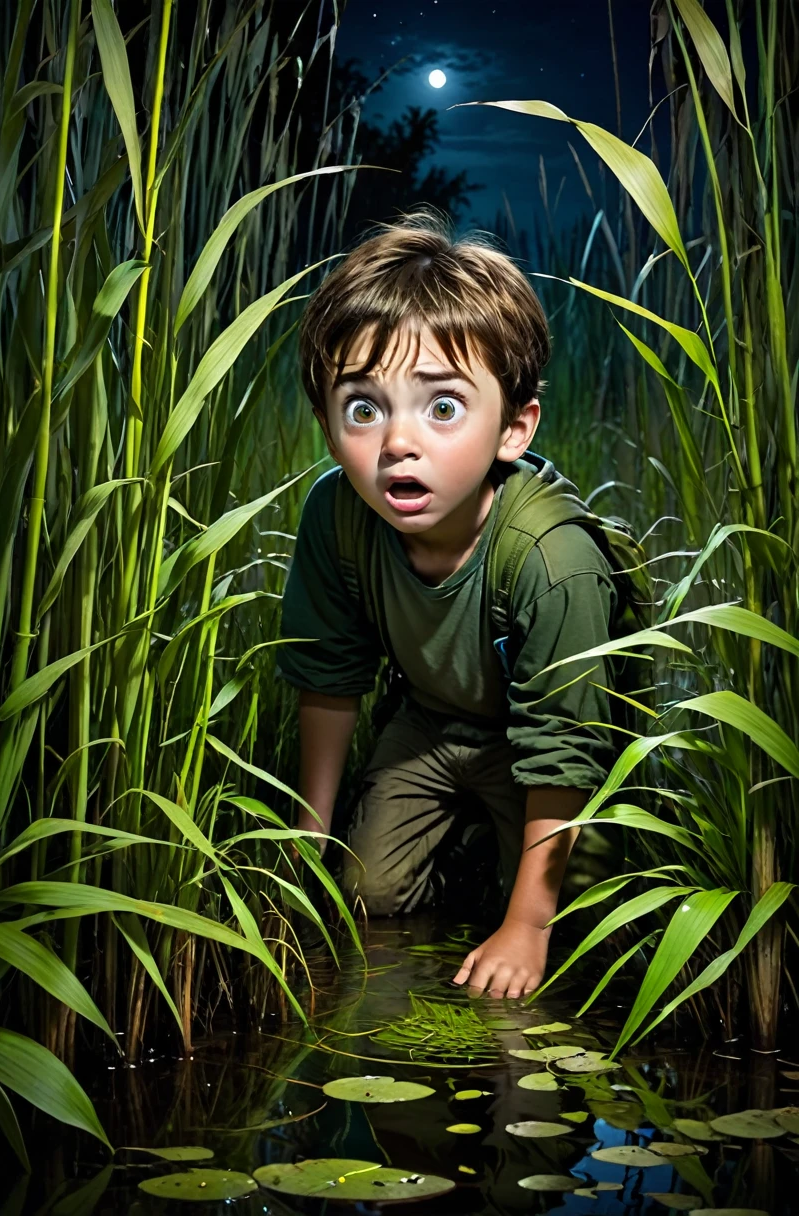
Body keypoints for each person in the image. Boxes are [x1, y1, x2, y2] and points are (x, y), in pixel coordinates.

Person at [275, 209, 618, 1000]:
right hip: (427, 724)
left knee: (588, 924)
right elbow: (328, 675)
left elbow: (564, 744)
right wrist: (310, 837)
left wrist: (527, 926)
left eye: (442, 407)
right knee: (364, 897)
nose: (399, 442)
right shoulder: (337, 515)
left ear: (514, 429)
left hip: (540, 746)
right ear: (330, 431)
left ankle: (512, 879)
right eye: (364, 408)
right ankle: (457, 847)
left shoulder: (551, 558)